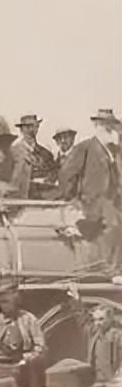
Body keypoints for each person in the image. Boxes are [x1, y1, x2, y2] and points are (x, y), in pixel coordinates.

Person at [58, 109, 121, 272]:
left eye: (111, 125)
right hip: (91, 206)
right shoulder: (84, 148)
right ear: (97, 125)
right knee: (113, 227)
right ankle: (110, 270)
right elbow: (66, 175)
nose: (110, 129)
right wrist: (74, 200)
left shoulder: (112, 152)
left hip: (110, 204)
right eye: (106, 125)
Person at [0, 278, 46, 382]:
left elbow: (40, 346)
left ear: (16, 299)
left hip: (19, 369)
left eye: (7, 301)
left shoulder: (28, 319)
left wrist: (28, 358)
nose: (4, 305)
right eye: (1, 302)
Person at [9, 114, 54, 200]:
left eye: (34, 127)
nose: (31, 130)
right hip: (18, 197)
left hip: (40, 198)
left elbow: (53, 173)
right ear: (21, 130)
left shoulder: (45, 153)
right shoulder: (13, 151)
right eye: (27, 127)